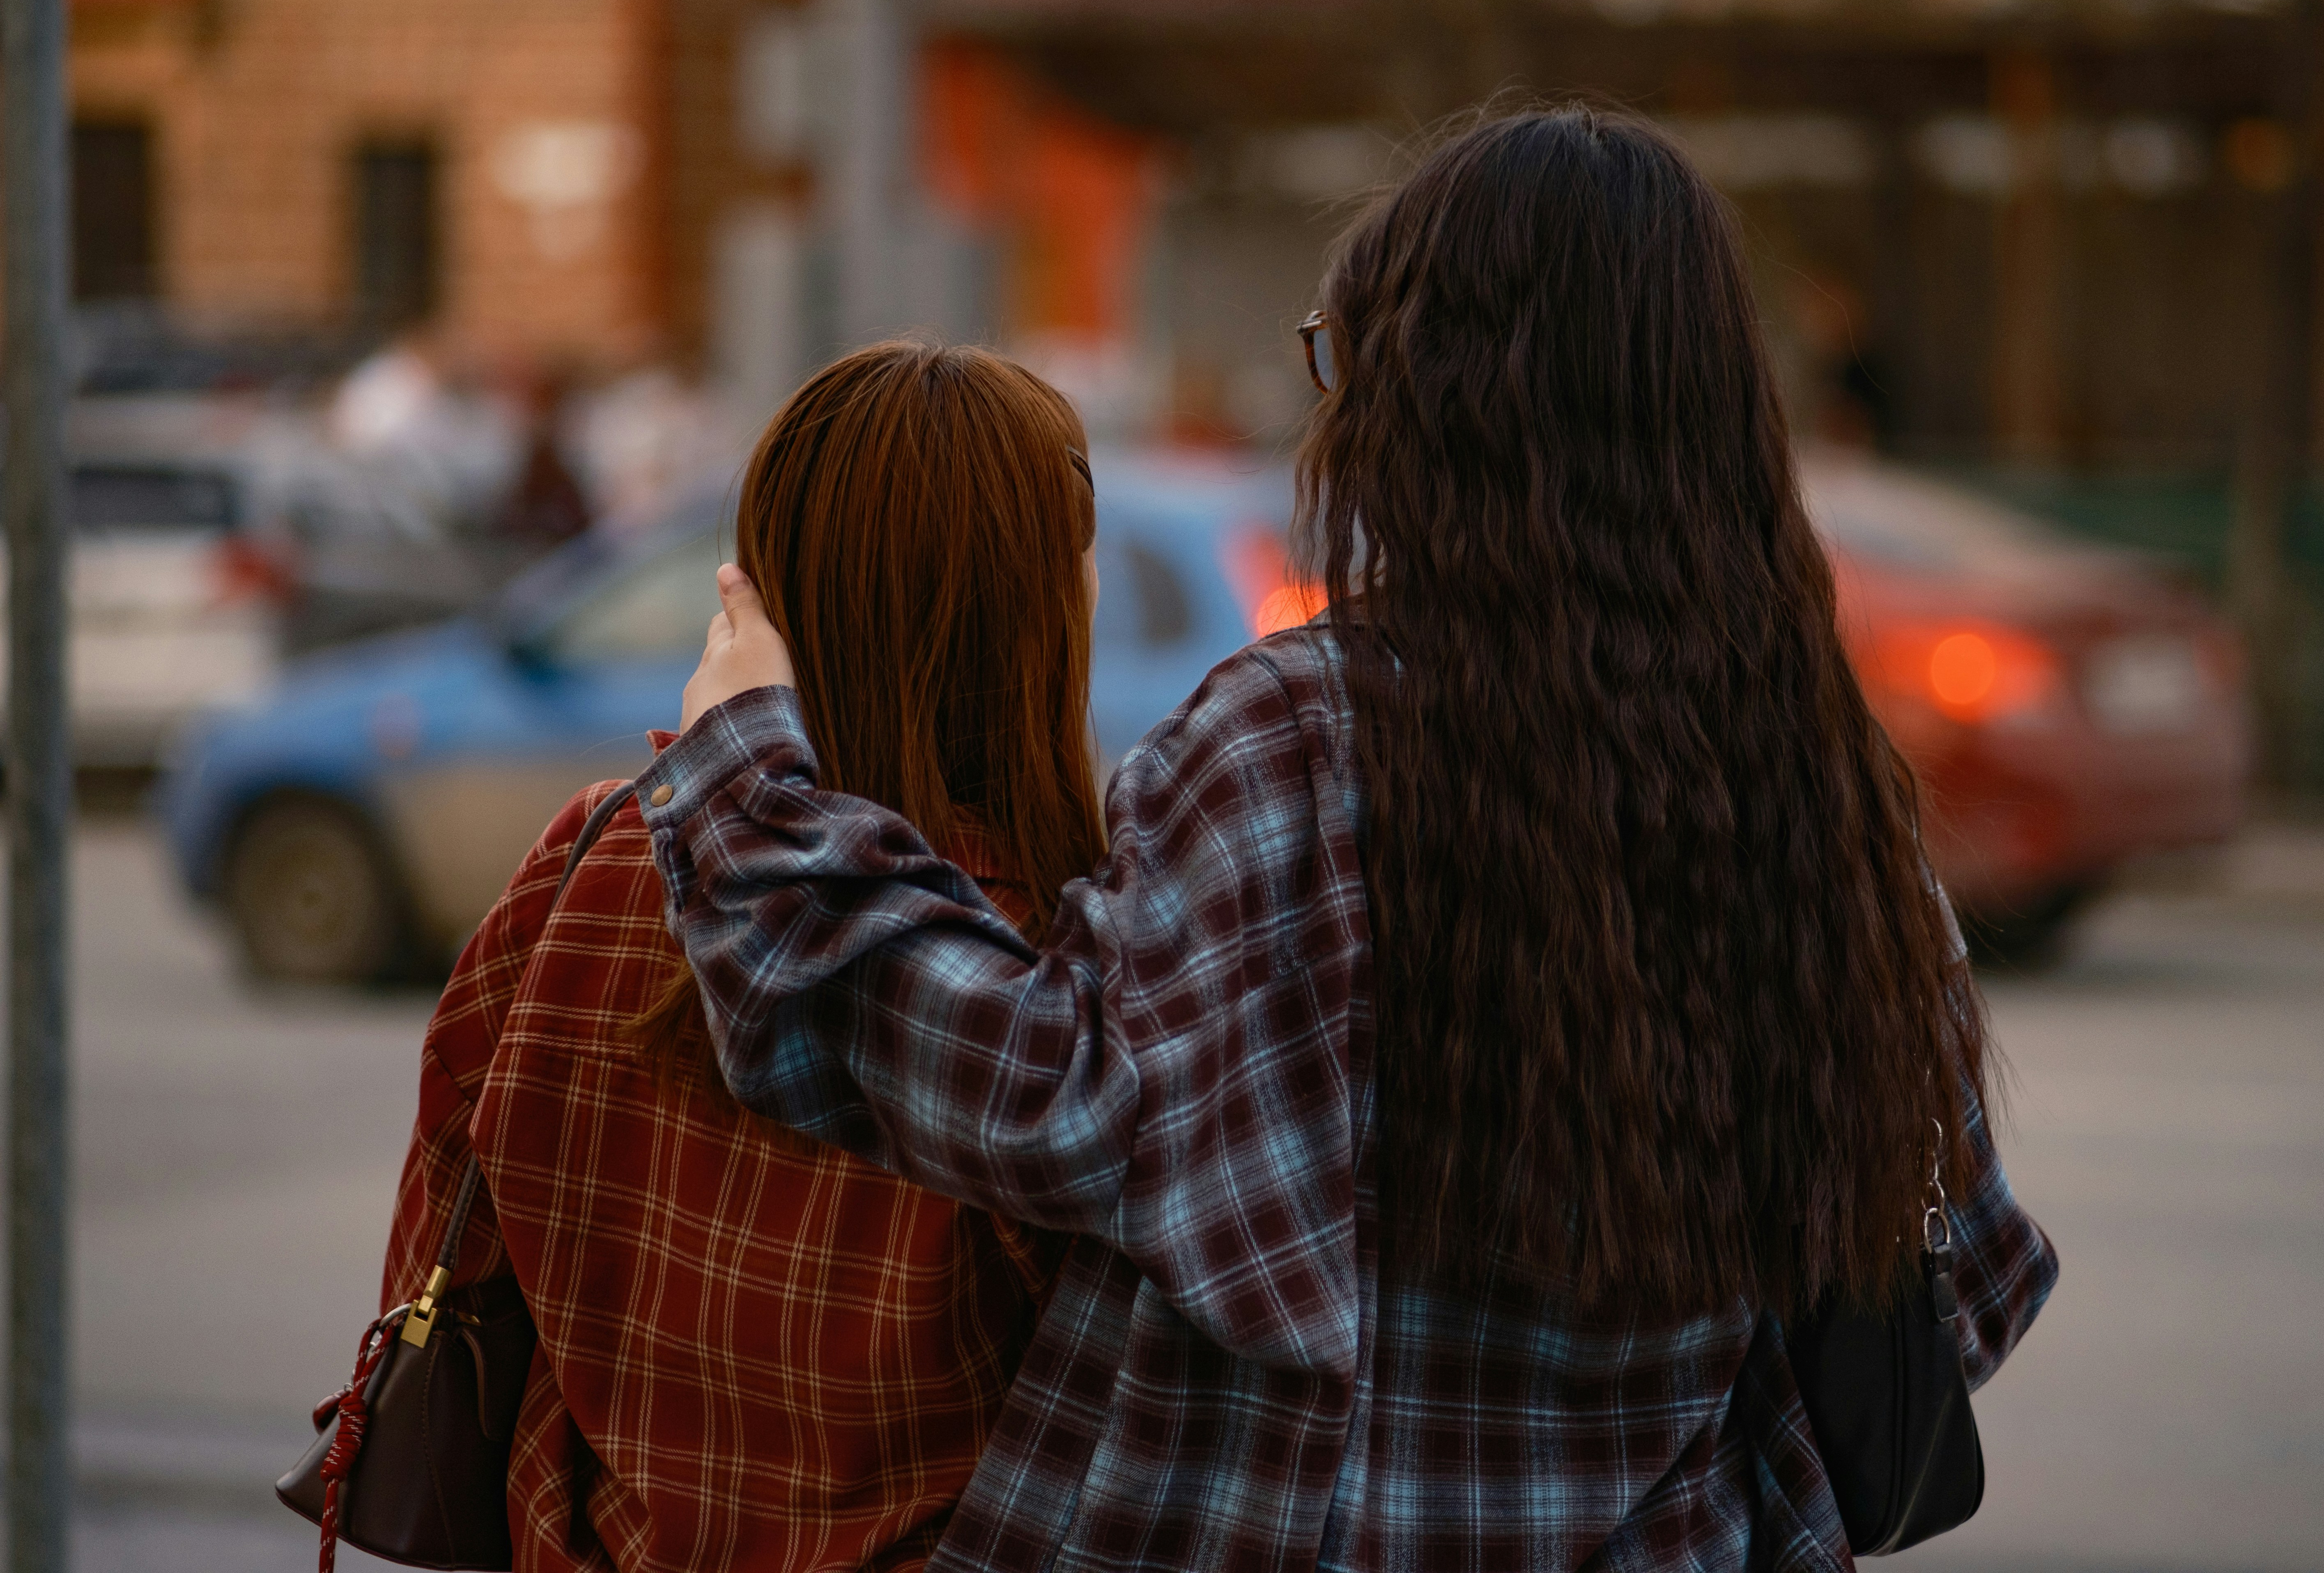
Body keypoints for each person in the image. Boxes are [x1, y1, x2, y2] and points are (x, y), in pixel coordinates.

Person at [644, 107, 2059, 1571]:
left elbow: (1052, 1102)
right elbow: (1960, 1280)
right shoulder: (1814, 787)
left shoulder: (1303, 740)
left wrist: (753, 784)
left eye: (1340, 360)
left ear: (1425, 405)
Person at [378, 342, 1103, 1571]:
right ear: (1044, 614)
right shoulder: (1037, 969)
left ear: (758, 597)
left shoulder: (597, 862)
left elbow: (440, 1262)